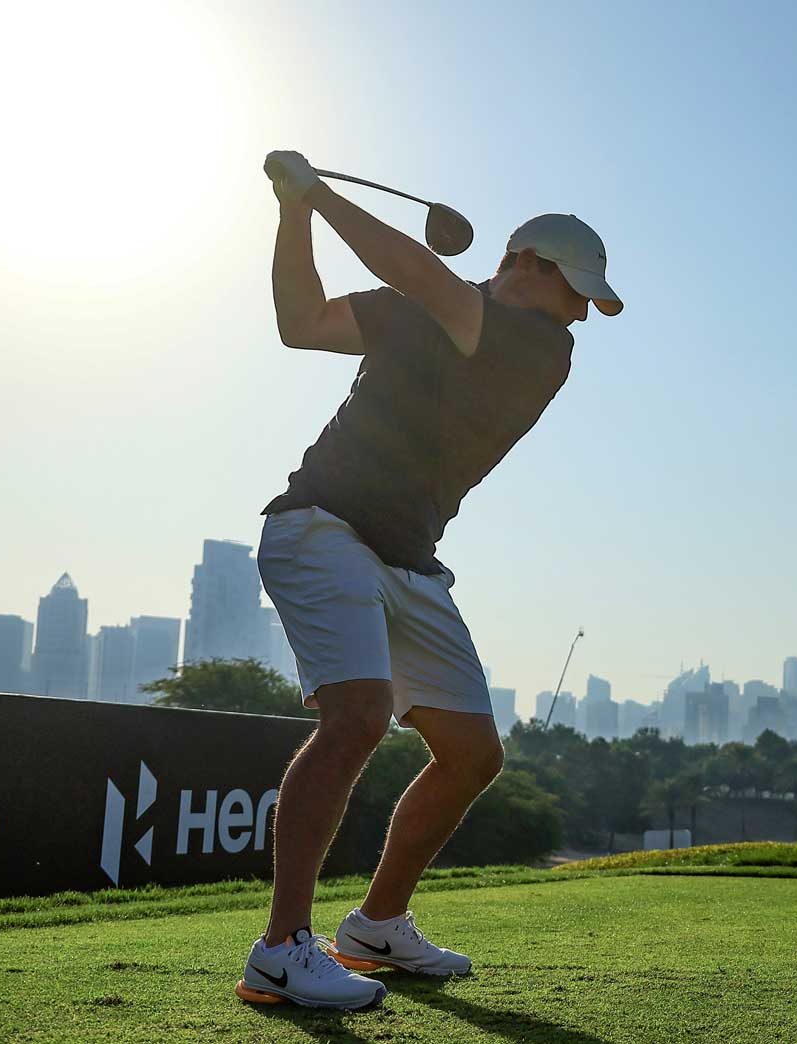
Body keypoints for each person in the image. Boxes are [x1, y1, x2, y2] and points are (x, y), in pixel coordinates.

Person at [236, 150, 621, 1010]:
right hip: (321, 527)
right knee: (359, 717)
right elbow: (300, 320)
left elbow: (421, 274)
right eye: (577, 292)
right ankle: (280, 948)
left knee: (473, 755)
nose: (582, 316)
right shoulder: (437, 314)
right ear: (526, 263)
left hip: (408, 557)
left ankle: (375, 925)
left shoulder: (542, 347)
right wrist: (292, 214)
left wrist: (318, 194)